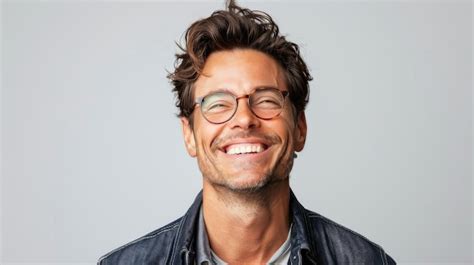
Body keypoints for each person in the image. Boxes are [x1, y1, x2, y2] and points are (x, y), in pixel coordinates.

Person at [98, 1, 395, 264]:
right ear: (189, 134)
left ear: (300, 128)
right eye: (217, 103)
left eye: (266, 100)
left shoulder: (366, 260)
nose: (243, 118)